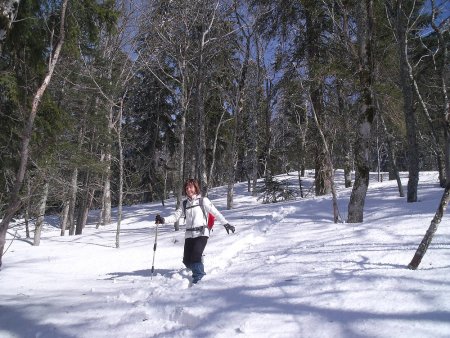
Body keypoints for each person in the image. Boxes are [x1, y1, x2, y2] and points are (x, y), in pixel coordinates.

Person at [155, 178, 235, 284]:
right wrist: (163, 220)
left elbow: (215, 213)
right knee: (187, 261)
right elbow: (175, 217)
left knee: (195, 257)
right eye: (187, 187)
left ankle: (199, 279)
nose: (188, 189)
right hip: (189, 234)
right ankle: (198, 264)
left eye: (191, 187)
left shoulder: (203, 200)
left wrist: (226, 223)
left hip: (202, 233)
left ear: (195, 188)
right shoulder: (184, 204)